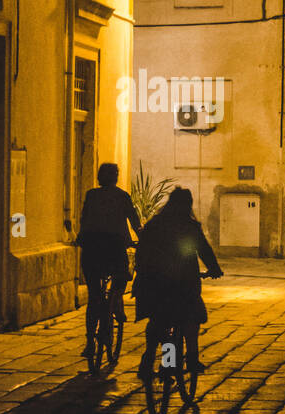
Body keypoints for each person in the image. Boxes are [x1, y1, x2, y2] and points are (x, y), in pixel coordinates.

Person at [132, 187, 222, 378]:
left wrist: (143, 272)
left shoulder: (154, 224)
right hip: (183, 284)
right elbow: (204, 250)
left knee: (159, 320)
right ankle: (189, 358)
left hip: (154, 282)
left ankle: (152, 359)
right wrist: (214, 269)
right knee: (192, 316)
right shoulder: (190, 226)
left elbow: (142, 253)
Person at [76, 162, 142, 356]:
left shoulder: (91, 195)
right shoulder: (122, 196)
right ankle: (116, 302)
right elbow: (135, 221)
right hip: (114, 247)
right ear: (116, 177)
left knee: (94, 296)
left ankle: (90, 342)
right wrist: (141, 239)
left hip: (91, 249)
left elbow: (84, 220)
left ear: (99, 177)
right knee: (121, 277)